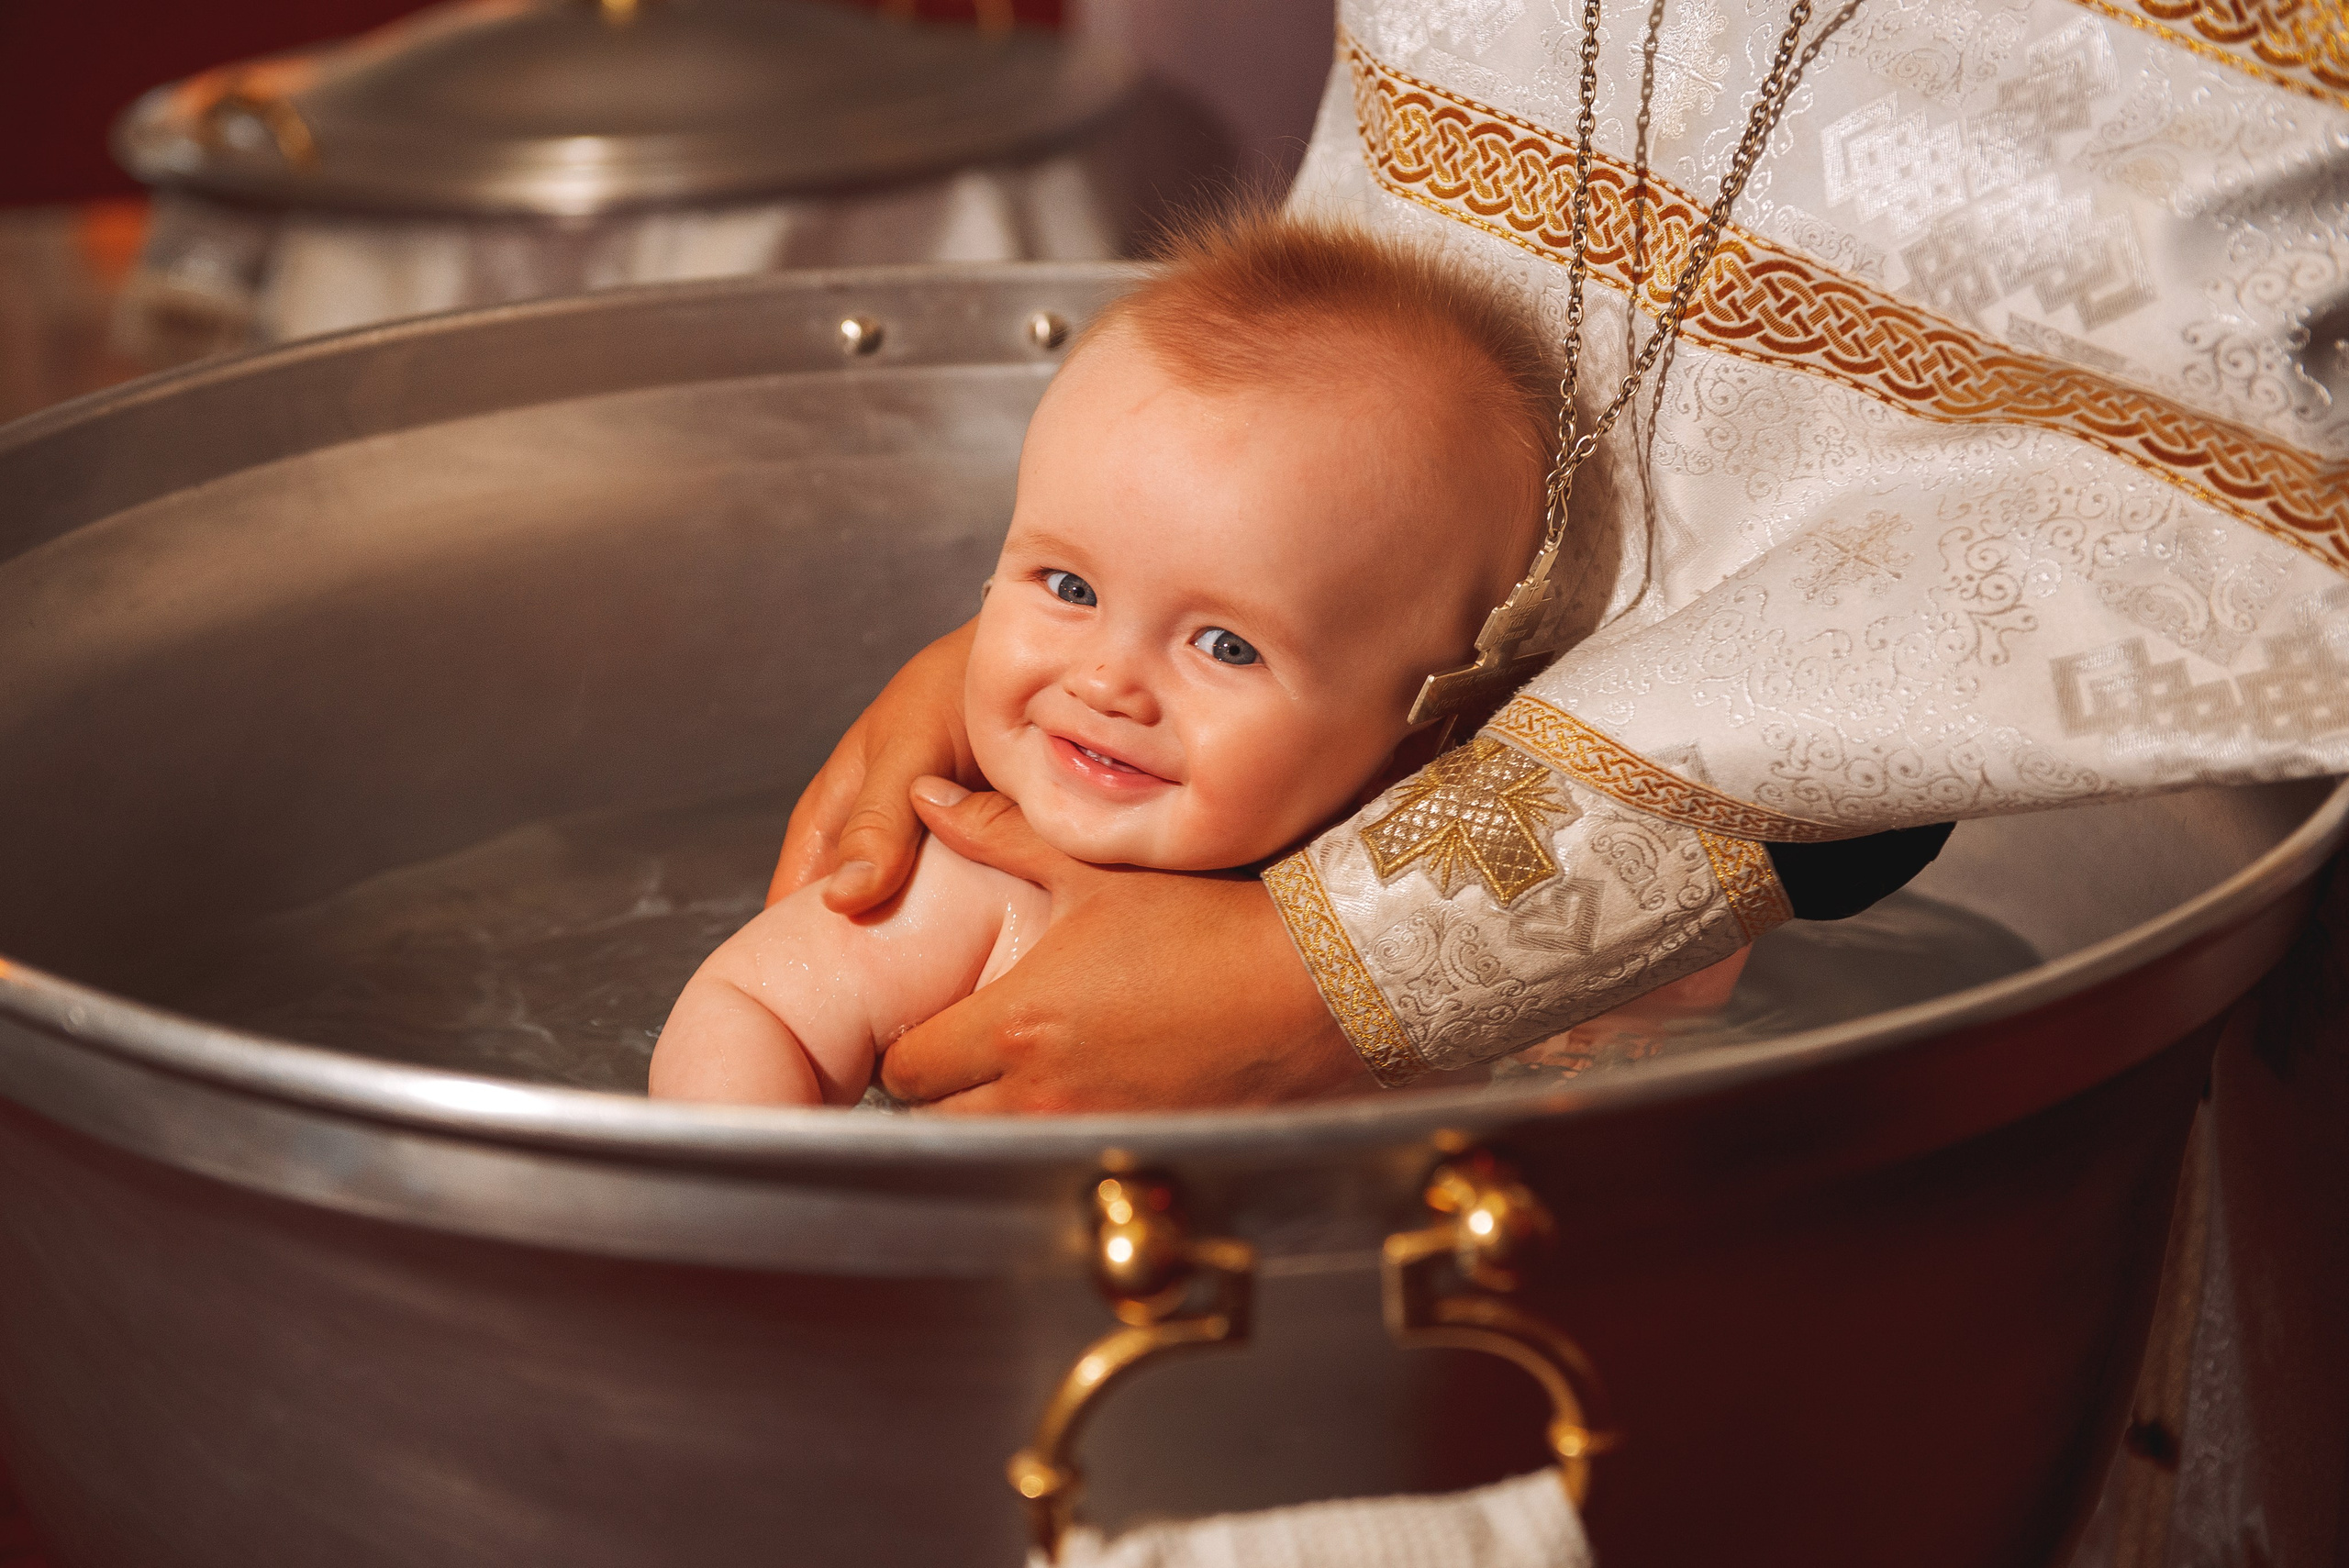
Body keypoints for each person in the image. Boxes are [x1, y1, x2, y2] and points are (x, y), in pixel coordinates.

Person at [765, 0, 2349, 1112]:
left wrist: (1372, 957)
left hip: (2164, 1005)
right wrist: (1065, 639)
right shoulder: (993, 845)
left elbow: (2166, 456)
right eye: (1053, 580)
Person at [650, 211, 1559, 1104]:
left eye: (1225, 645)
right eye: (1070, 588)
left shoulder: (1431, 937)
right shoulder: (979, 882)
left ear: (1415, 739)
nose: (1105, 681)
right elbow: (747, 1008)